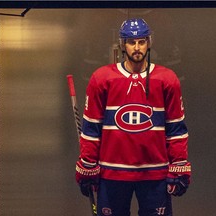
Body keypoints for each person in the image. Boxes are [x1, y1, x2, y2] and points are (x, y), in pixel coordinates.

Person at [75, 18, 191, 216]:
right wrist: (87, 165)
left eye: (142, 41)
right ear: (122, 44)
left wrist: (179, 166)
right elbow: (91, 129)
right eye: (131, 42)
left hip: (155, 173)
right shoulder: (101, 79)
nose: (137, 47)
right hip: (112, 173)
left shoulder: (167, 79)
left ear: (149, 42)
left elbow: (176, 129)